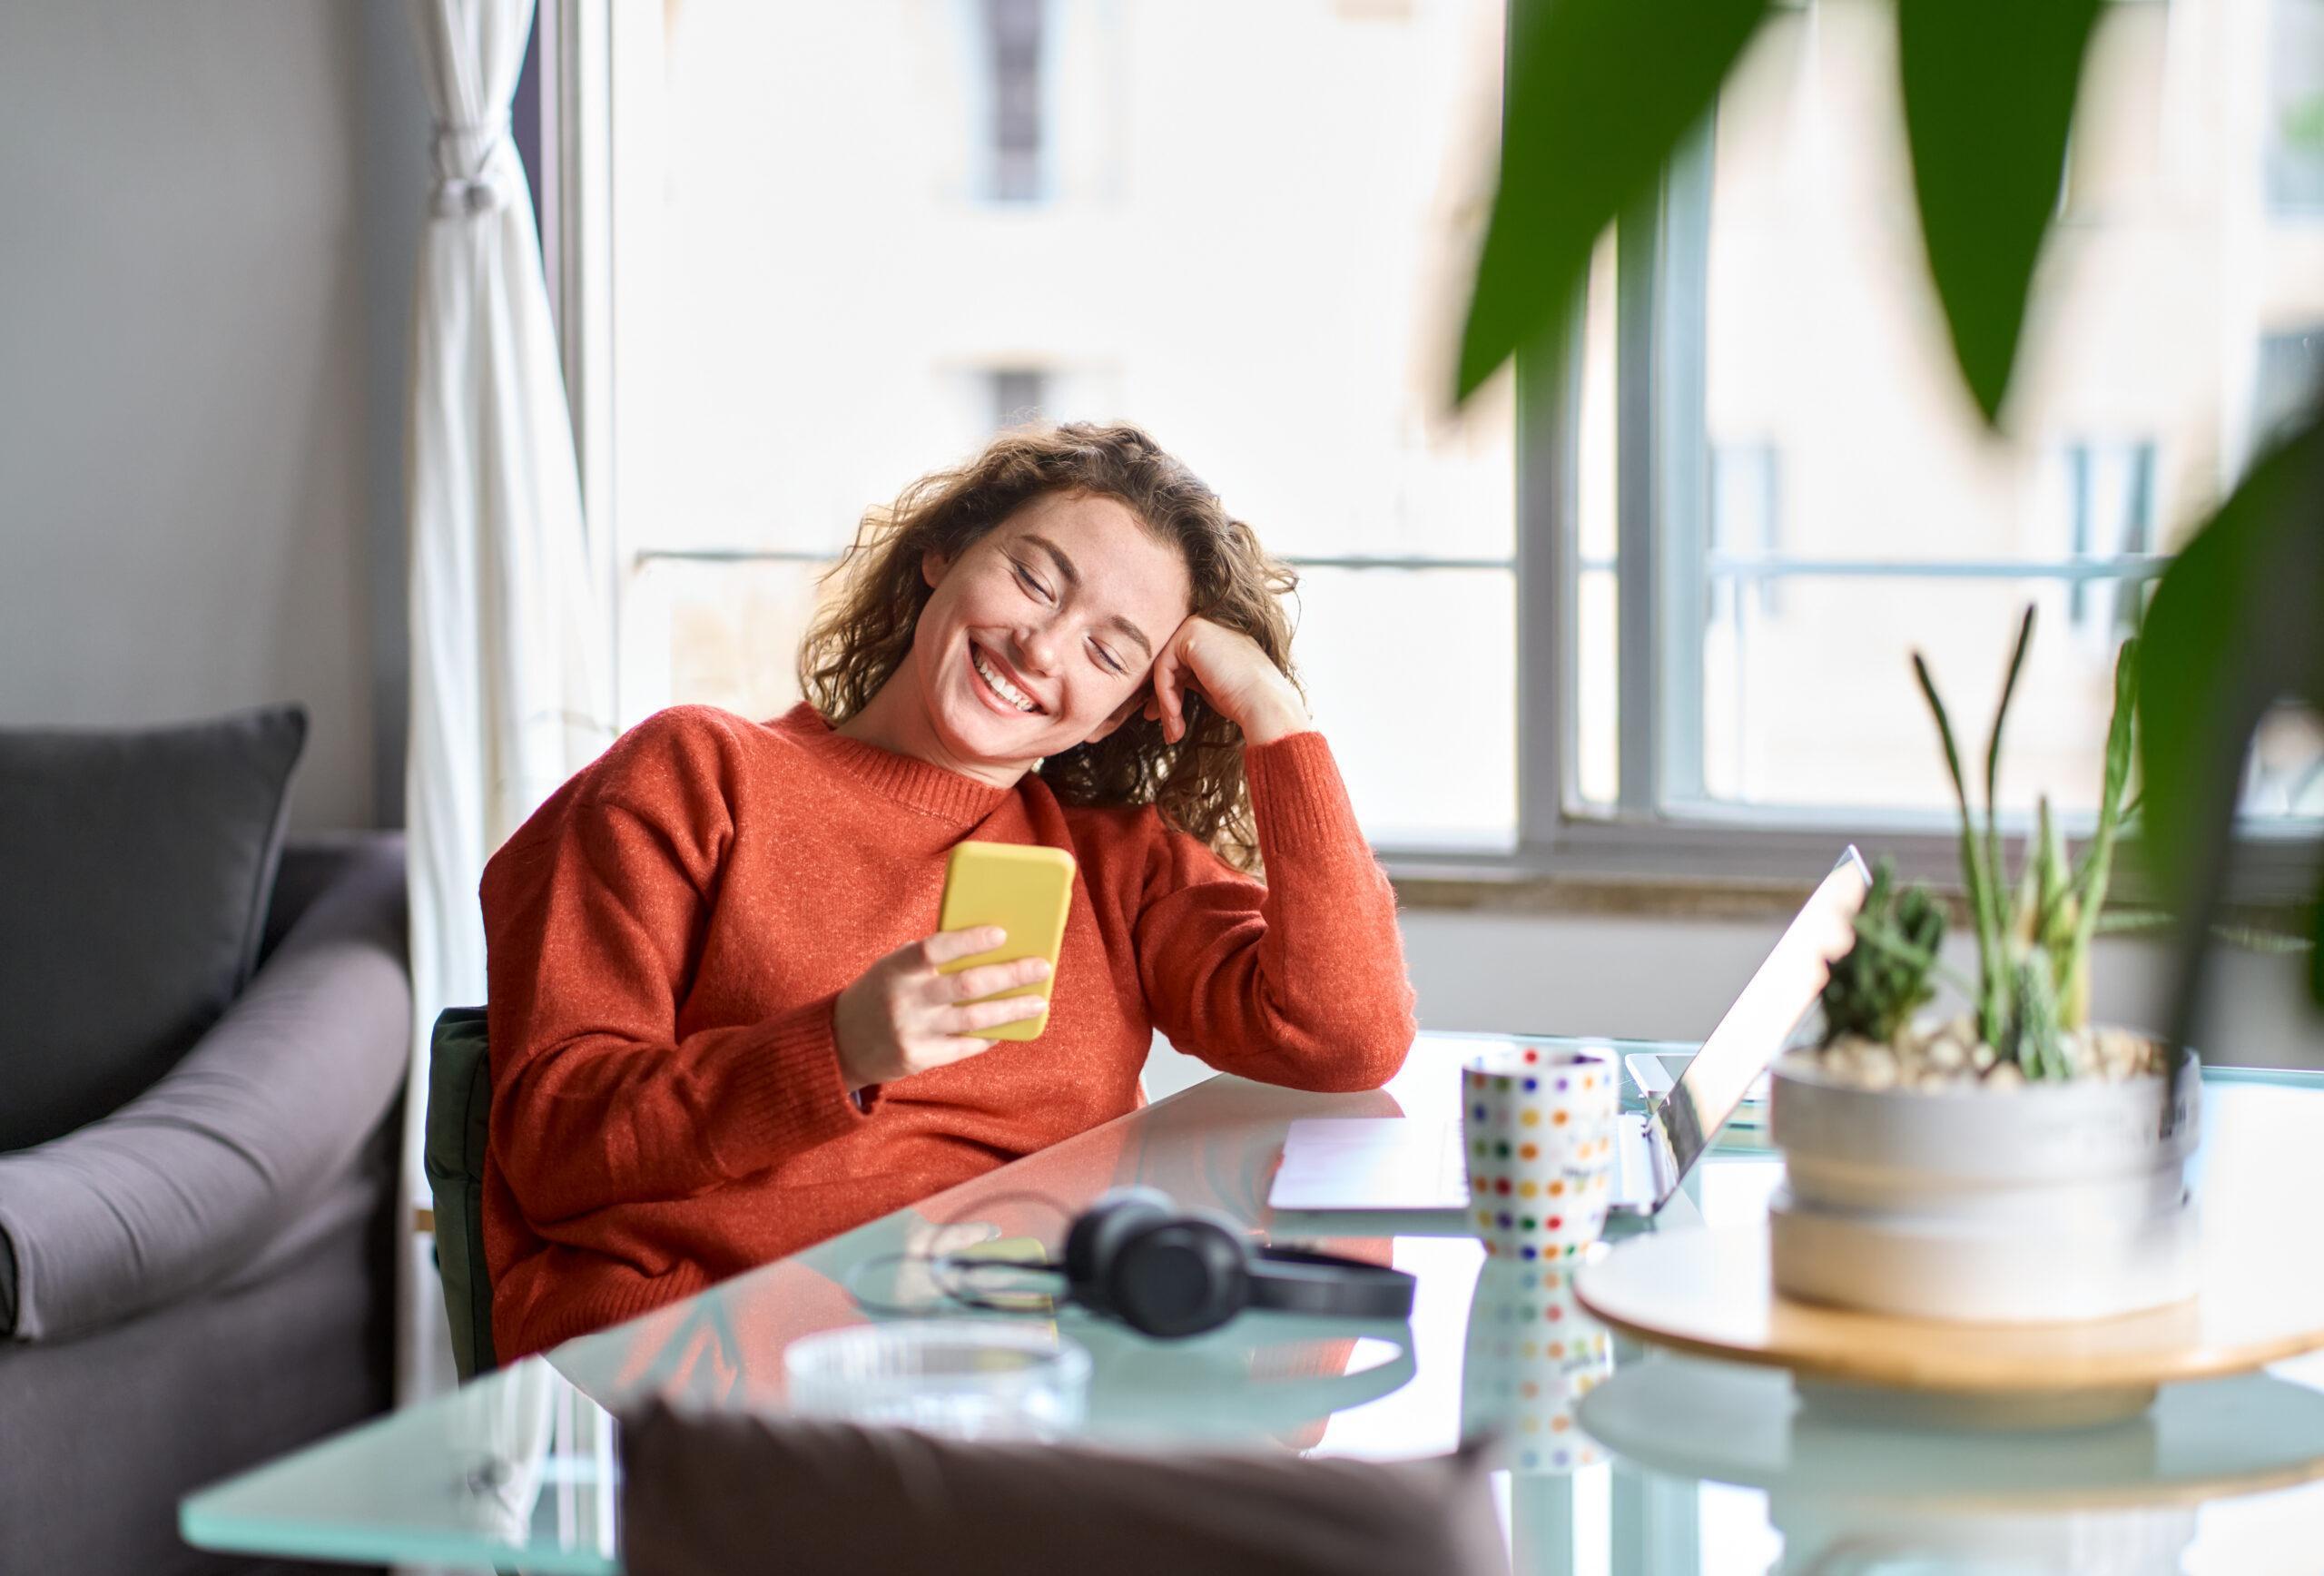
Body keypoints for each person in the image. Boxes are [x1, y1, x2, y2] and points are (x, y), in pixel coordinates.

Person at [478, 422, 1418, 1360]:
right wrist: (837, 1048)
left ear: (1129, 710)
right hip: (719, 1353)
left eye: (1108, 650)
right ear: (942, 551)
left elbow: (1345, 1036)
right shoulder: (696, 772)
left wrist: (1272, 713)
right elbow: (554, 1142)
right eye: (1034, 579)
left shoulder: (1119, 869)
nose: (1043, 645)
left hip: (1012, 1371)